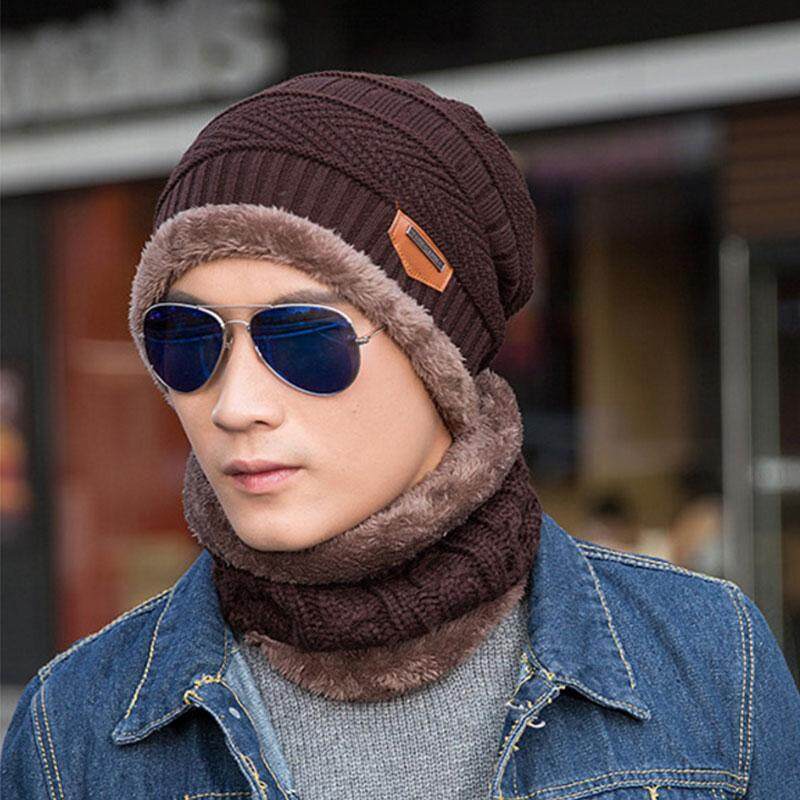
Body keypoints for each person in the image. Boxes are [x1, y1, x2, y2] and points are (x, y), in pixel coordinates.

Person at [2, 70, 799, 799]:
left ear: (439, 358)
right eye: (186, 340)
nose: (235, 404)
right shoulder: (71, 730)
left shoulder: (707, 658)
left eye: (304, 339)